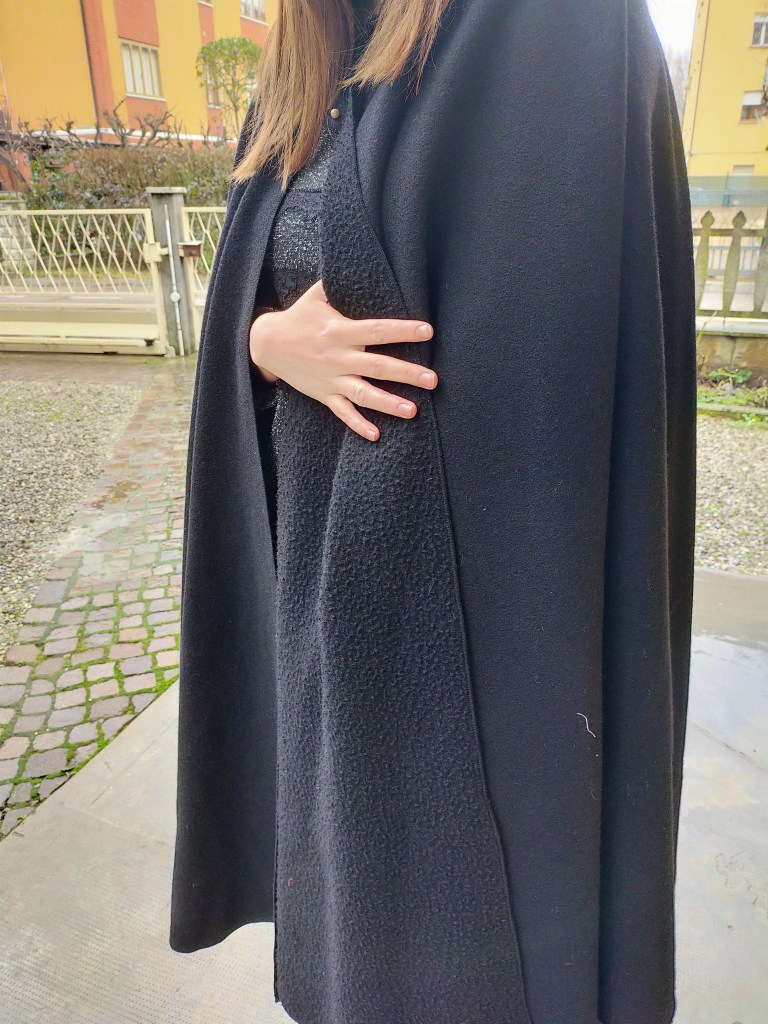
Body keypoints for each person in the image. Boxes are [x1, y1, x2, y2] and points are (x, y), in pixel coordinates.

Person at [169, 2, 698, 1024]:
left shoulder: (562, 28)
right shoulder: (305, 62)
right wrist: (264, 343)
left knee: (471, 953)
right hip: (319, 603)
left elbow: (571, 377)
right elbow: (254, 282)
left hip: (480, 638)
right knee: (346, 928)